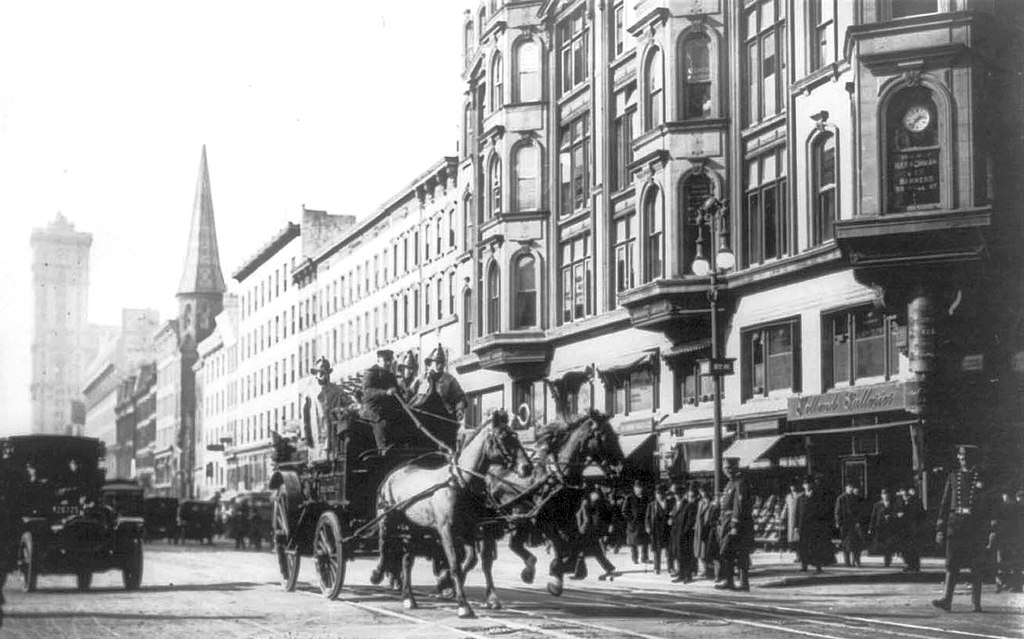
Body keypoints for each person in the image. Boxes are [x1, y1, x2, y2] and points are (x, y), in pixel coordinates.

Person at [932, 444, 998, 613]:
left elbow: (991, 502)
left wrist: (992, 526)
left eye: (967, 457)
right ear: (958, 457)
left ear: (973, 458)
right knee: (951, 563)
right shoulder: (953, 476)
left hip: (975, 524)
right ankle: (947, 600)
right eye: (961, 456)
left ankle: (976, 602)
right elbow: (945, 503)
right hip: (956, 523)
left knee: (976, 564)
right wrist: (940, 527)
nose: (964, 459)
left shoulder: (983, 476)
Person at [716, 457, 754, 591]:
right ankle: (730, 580)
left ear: (735, 468)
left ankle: (743, 583)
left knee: (740, 553)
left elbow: (739, 505)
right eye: (725, 468)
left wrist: (734, 525)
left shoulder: (740, 483)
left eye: (728, 468)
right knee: (728, 553)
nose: (726, 471)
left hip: (737, 525)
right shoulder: (730, 483)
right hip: (727, 523)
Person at [302, 356, 351, 460]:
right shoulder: (309, 392)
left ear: (329, 373)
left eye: (325, 372)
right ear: (316, 374)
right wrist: (306, 436)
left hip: (333, 431)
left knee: (333, 457)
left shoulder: (337, 390)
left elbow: (349, 404)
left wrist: (345, 410)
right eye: (320, 372)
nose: (322, 375)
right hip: (316, 431)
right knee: (318, 459)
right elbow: (304, 417)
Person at [361, 349, 403, 454]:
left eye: (390, 360)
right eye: (385, 360)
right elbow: (368, 392)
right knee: (381, 422)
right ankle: (383, 449)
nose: (388, 363)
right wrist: (385, 393)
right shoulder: (371, 373)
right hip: (374, 408)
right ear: (378, 360)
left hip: (389, 408)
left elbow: (398, 394)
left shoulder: (391, 376)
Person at [416, 344, 467, 423]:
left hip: (443, 418)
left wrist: (459, 410)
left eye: (441, 363)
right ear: (430, 364)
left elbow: (460, 398)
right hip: (422, 417)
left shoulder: (450, 380)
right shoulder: (422, 379)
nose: (439, 366)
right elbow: (410, 395)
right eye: (437, 363)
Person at [575, 488, 617, 581]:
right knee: (597, 552)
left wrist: (581, 530)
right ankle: (609, 567)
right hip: (591, 531)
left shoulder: (585, 503)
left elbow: (587, 519)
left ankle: (579, 574)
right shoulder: (588, 503)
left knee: (580, 552)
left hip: (587, 532)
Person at [797, 476, 833, 572]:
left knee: (816, 546)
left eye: (809, 483)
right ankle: (804, 565)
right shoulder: (801, 498)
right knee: (803, 546)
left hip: (814, 526)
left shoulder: (818, 496)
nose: (807, 486)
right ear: (803, 486)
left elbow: (823, 511)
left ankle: (818, 566)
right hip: (803, 526)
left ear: (812, 485)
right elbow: (797, 513)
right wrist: (796, 527)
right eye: (805, 484)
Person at [672, 482, 700, 583]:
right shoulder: (676, 505)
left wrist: (684, 532)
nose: (676, 496)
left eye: (678, 494)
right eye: (675, 494)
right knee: (679, 555)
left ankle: (688, 576)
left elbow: (690, 521)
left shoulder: (688, 505)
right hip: (676, 534)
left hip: (685, 535)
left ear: (682, 495)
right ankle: (680, 574)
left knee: (686, 555)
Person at [896, 484, 925, 572]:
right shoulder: (898, 501)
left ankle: (915, 565)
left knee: (913, 547)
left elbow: (921, 514)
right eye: (902, 491)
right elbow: (894, 511)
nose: (904, 493)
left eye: (905, 491)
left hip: (913, 528)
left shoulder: (916, 501)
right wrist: (897, 515)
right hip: (903, 528)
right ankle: (908, 564)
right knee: (904, 547)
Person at [622, 481, 651, 565]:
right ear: (634, 489)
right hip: (633, 524)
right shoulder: (629, 498)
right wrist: (631, 520)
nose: (639, 490)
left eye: (640, 488)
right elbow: (624, 511)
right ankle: (635, 558)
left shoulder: (646, 498)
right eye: (637, 488)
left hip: (643, 523)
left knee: (645, 542)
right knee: (633, 543)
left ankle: (644, 558)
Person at [835, 482, 863, 567]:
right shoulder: (841, 498)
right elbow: (837, 511)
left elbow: (858, 511)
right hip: (844, 523)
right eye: (849, 487)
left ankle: (856, 560)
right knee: (844, 543)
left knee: (855, 542)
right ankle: (847, 562)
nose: (851, 489)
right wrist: (838, 522)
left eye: (852, 487)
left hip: (853, 523)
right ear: (846, 488)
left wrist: (858, 521)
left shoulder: (855, 498)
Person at [646, 485, 672, 575]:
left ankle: (670, 568)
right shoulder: (652, 505)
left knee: (669, 551)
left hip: (667, 530)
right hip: (656, 531)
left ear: (664, 494)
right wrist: (648, 527)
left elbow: (674, 515)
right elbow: (647, 518)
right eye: (657, 494)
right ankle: (657, 568)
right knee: (657, 550)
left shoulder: (670, 503)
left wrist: (672, 519)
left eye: (661, 493)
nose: (659, 495)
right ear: (655, 495)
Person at [869, 488, 899, 567]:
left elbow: (896, 513)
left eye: (887, 495)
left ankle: (887, 560)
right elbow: (874, 517)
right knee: (883, 544)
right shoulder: (877, 505)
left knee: (889, 544)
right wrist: (871, 527)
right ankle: (887, 558)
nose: (885, 496)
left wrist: (891, 516)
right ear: (881, 496)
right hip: (881, 527)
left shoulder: (893, 504)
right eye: (884, 495)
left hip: (890, 527)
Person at [694, 483, 718, 580]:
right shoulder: (700, 503)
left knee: (708, 551)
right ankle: (705, 570)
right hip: (700, 529)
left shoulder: (713, 503)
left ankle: (711, 571)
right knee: (700, 551)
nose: (703, 493)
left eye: (704, 491)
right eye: (701, 491)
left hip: (708, 530)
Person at [780, 483, 801, 557]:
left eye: (794, 486)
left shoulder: (801, 495)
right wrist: (783, 515)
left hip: (799, 518)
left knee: (799, 537)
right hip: (790, 519)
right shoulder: (788, 496)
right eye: (791, 486)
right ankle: (796, 554)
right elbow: (786, 507)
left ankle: (800, 555)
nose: (793, 487)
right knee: (792, 538)